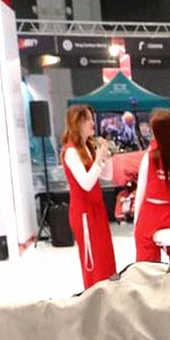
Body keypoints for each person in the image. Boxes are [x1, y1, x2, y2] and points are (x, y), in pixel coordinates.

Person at [61, 104, 117, 290]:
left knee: (105, 256)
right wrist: (98, 159)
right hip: (84, 212)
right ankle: (94, 297)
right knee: (93, 260)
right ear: (77, 123)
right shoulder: (71, 152)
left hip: (97, 209)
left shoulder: (87, 147)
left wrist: (105, 155)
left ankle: (107, 295)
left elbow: (107, 175)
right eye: (88, 119)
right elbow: (86, 183)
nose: (93, 123)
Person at [133, 109, 170, 264]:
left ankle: (148, 274)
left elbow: (140, 191)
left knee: (145, 253)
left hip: (150, 213)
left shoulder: (149, 158)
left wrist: (136, 221)